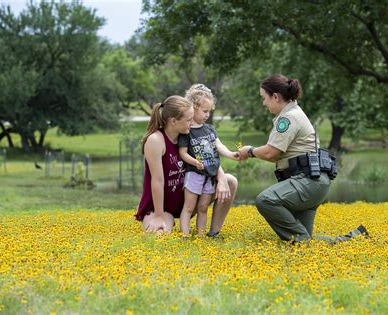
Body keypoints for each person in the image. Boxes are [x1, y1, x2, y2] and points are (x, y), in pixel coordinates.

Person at [238, 74, 368, 244]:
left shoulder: (288, 118)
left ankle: (302, 241)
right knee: (306, 237)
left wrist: (250, 151)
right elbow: (275, 157)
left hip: (308, 182)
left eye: (264, 98)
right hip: (312, 182)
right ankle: (354, 238)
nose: (263, 103)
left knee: (266, 200)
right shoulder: (293, 113)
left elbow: (270, 153)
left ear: (275, 97)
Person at [135, 95, 238, 236]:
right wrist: (159, 216)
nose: (192, 123)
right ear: (173, 121)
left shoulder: (189, 136)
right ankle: (161, 219)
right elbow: (157, 181)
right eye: (188, 120)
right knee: (159, 234)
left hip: (188, 201)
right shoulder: (156, 140)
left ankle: (213, 233)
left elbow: (210, 159)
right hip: (162, 208)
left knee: (230, 181)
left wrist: (221, 178)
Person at [178, 84, 240, 236]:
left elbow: (218, 145)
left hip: (209, 176)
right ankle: (184, 235)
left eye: (209, 111)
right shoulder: (187, 131)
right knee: (189, 207)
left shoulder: (210, 129)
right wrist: (194, 162)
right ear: (193, 107)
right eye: (204, 111)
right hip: (194, 174)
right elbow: (182, 153)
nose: (207, 115)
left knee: (203, 207)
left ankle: (201, 236)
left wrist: (231, 154)